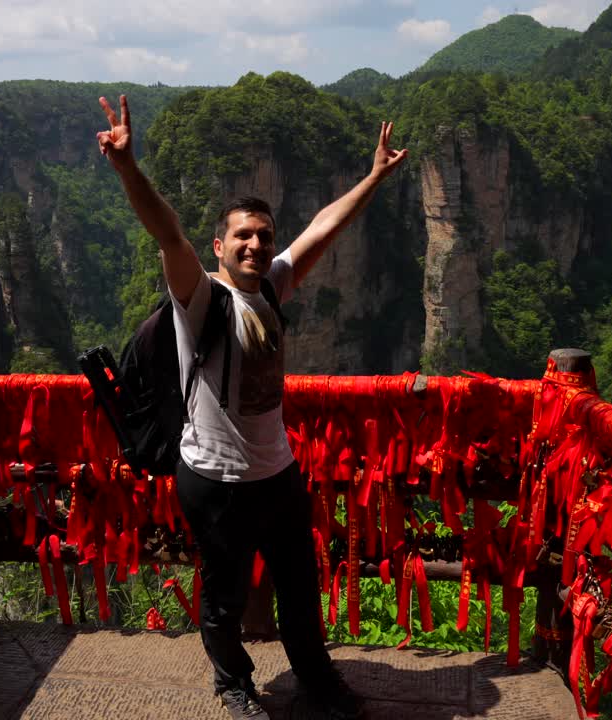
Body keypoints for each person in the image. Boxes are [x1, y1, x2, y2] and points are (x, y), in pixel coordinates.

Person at [97, 94, 407, 720]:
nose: (257, 245)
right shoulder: (199, 298)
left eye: (264, 236)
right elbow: (165, 229)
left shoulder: (271, 286)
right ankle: (233, 684)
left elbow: (324, 226)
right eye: (244, 236)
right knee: (224, 592)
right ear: (219, 245)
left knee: (299, 587)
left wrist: (374, 177)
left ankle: (316, 680)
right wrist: (129, 168)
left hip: (278, 475)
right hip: (215, 480)